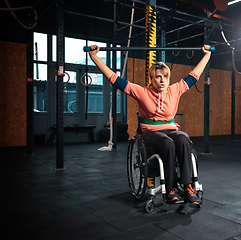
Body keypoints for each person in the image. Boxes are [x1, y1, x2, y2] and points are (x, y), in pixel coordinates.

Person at [89, 45, 211, 204]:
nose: (162, 80)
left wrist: (207, 56)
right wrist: (94, 57)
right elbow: (114, 79)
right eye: (158, 77)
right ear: (151, 79)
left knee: (183, 138)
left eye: (165, 77)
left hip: (171, 130)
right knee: (167, 143)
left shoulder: (175, 90)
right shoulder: (141, 92)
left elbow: (194, 75)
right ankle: (170, 188)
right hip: (150, 133)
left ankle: (188, 185)